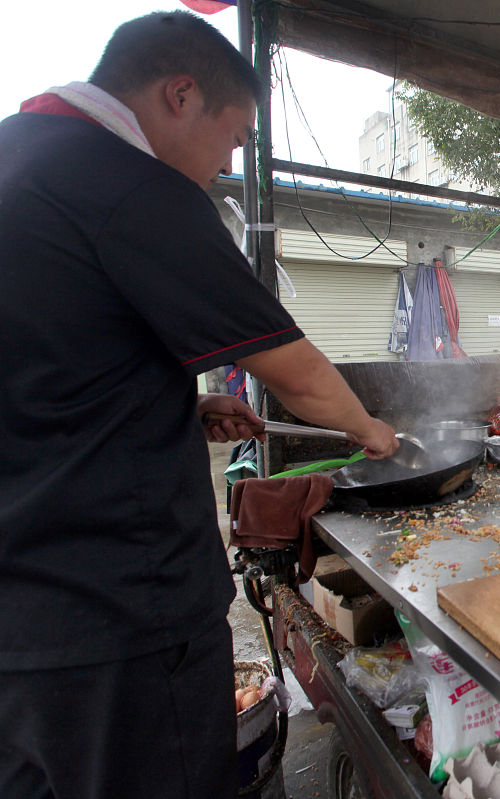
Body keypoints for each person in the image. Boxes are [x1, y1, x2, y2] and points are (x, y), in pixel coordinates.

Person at [0, 12, 399, 798]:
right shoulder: (125, 181)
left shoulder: (20, 157)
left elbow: (43, 381)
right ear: (180, 94)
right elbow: (300, 372)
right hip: (116, 617)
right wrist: (372, 430)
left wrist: (176, 409)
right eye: (233, 139)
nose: (223, 167)